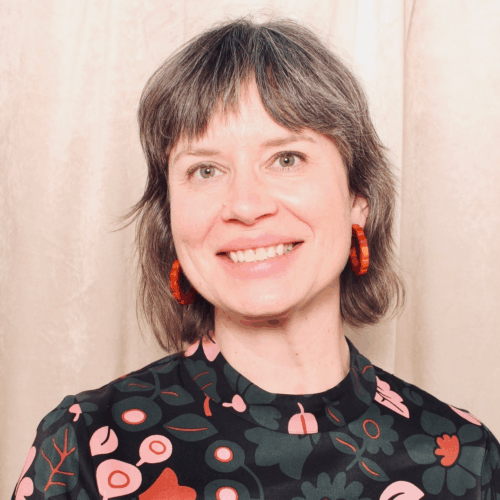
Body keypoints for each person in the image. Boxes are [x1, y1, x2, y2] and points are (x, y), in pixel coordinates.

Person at [12, 16, 499, 500]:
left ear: (358, 200)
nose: (245, 206)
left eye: (286, 159)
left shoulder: (465, 459)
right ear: (171, 221)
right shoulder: (84, 448)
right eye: (206, 170)